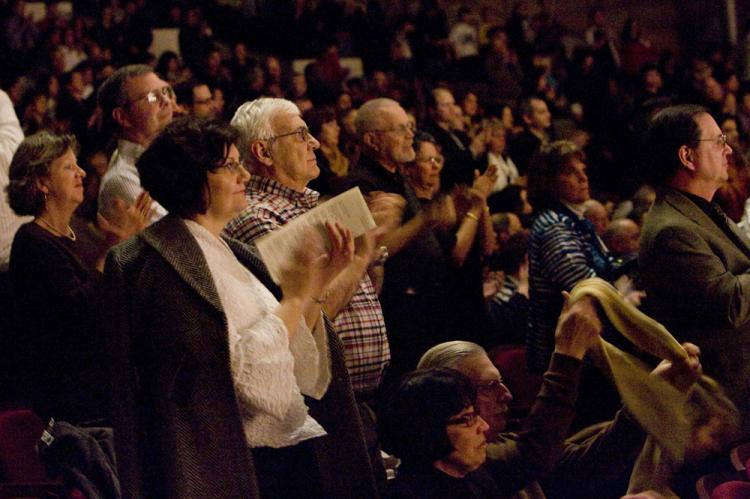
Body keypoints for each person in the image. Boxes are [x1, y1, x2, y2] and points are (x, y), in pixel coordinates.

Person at [104, 117, 376, 498]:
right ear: (190, 177)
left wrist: (313, 288)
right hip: (227, 463)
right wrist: (295, 297)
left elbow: (291, 358)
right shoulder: (154, 263)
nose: (244, 175)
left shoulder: (239, 255)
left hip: (282, 456)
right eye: (230, 165)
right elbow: (241, 376)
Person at [226, 97, 396, 486]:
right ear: (263, 151)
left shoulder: (316, 206)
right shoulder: (257, 216)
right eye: (301, 134)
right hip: (318, 407)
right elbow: (302, 318)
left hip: (359, 399)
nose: (315, 143)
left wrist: (370, 260)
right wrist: (359, 258)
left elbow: (362, 292)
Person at [6, 131, 151, 423]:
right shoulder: (32, 241)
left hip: (111, 386)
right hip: (77, 404)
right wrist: (113, 249)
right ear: (42, 182)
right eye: (68, 167)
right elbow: (79, 314)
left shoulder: (81, 230)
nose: (82, 172)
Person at [638, 104, 750, 438]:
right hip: (728, 400)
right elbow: (728, 302)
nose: (728, 149)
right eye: (718, 141)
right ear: (688, 156)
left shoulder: (699, 210)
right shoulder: (672, 230)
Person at [341, 98, 457, 384]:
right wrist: (423, 220)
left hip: (426, 308)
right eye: (400, 129)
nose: (410, 136)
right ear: (372, 140)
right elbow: (366, 255)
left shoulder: (399, 178)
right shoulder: (358, 185)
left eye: (410, 127)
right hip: (398, 316)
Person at [526, 140, 617, 372]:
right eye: (570, 172)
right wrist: (624, 294)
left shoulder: (574, 220)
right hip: (565, 356)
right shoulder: (553, 226)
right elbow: (586, 287)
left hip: (581, 346)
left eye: (582, 170)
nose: (583, 178)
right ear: (549, 181)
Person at [380, 368, 500, 499]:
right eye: (468, 418)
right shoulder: (407, 494)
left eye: (475, 414)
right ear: (429, 430)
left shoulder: (478, 478)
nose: (484, 426)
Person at [97, 64, 177, 226]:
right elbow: (181, 237)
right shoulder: (122, 178)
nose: (166, 101)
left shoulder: (170, 154)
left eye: (165, 91)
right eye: (152, 97)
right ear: (122, 117)